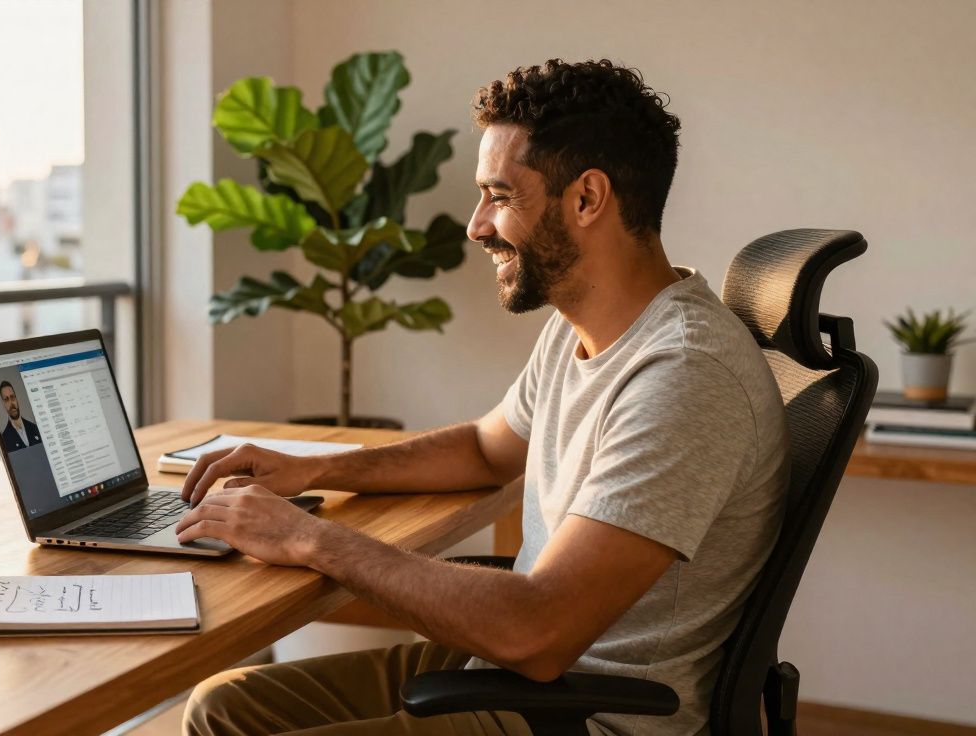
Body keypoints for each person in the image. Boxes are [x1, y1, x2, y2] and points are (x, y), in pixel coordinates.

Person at [176, 59, 789, 736]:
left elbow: (539, 627)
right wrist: (317, 471)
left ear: (587, 199)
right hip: (524, 673)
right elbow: (484, 446)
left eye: (500, 195)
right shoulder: (580, 327)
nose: (475, 225)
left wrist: (309, 537)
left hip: (584, 709)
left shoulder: (684, 374)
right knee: (225, 706)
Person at [0, 381, 42, 451]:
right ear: (3, 404)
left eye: (12, 397)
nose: (11, 403)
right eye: (6, 399)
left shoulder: (35, 428)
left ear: (16, 398)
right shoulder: (4, 440)